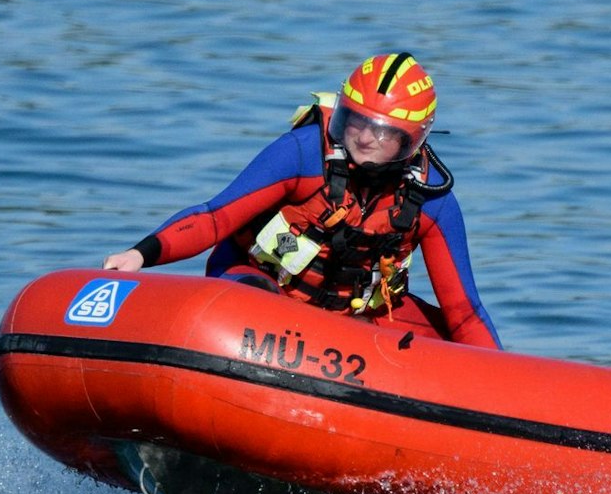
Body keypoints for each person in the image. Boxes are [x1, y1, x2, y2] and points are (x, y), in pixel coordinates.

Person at [102, 53, 500, 348]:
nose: (363, 138)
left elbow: (464, 311)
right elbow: (214, 218)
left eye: (381, 132)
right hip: (258, 285)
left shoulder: (432, 200)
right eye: (356, 121)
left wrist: (505, 385)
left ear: (411, 141)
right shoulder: (303, 152)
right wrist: (140, 255)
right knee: (255, 306)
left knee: (449, 340)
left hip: (353, 317)